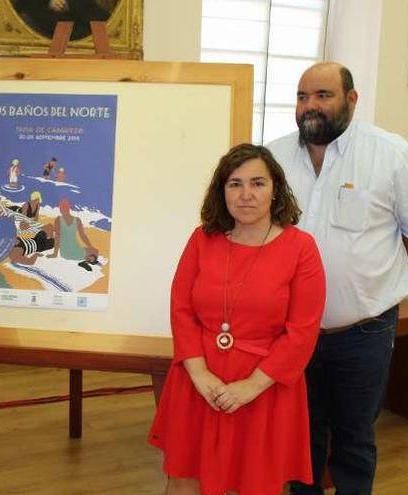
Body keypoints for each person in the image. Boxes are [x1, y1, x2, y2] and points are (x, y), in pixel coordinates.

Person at [266, 62, 408, 495]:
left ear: (351, 99)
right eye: (302, 96)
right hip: (291, 332)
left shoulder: (392, 154)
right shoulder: (271, 156)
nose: (310, 106)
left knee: (354, 437)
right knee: (300, 435)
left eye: (323, 96)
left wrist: (374, 262)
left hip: (363, 331)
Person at [148, 143, 326, 495]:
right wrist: (199, 373)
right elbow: (181, 308)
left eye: (258, 183)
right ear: (222, 191)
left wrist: (251, 386)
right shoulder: (202, 239)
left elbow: (302, 332)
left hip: (264, 389)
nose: (246, 194)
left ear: (275, 189)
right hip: (199, 383)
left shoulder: (300, 248)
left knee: (256, 483)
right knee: (184, 477)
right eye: (235, 184)